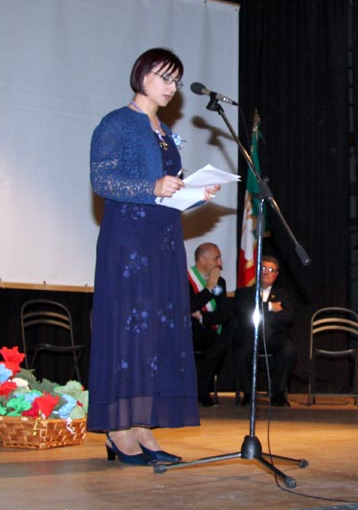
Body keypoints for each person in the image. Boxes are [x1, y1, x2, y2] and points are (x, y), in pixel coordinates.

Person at [87, 47, 221, 466]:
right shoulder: (116, 122)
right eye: (166, 77)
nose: (172, 87)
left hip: (163, 241)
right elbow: (102, 179)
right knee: (128, 331)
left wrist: (195, 194)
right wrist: (152, 187)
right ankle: (118, 429)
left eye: (176, 81)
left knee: (154, 337)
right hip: (129, 243)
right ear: (143, 76)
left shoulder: (164, 130)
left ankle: (142, 424)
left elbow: (167, 191)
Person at [233, 255, 297, 407]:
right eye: (263, 268)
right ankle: (249, 395)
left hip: (275, 336)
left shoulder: (284, 295)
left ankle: (277, 394)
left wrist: (261, 312)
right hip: (251, 335)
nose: (266, 272)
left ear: (276, 274)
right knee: (241, 353)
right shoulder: (244, 293)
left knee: (289, 351)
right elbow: (245, 313)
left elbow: (287, 318)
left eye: (271, 270)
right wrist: (270, 307)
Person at [188, 242, 231, 407]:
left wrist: (202, 316)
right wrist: (208, 289)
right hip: (187, 331)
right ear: (202, 260)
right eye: (216, 258)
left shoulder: (221, 282)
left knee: (219, 346)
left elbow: (224, 314)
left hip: (207, 330)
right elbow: (187, 307)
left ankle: (203, 391)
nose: (220, 263)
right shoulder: (185, 279)